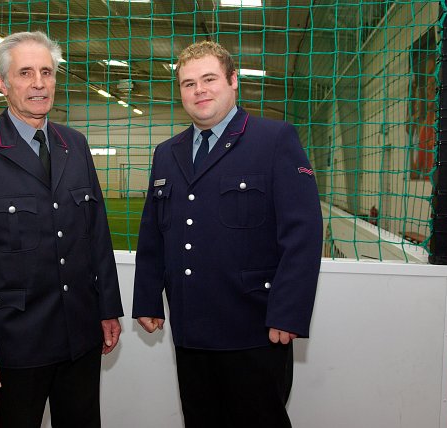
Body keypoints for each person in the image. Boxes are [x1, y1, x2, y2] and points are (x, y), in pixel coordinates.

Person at [132, 40, 323, 428]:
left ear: (233, 80)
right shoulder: (166, 153)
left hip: (254, 327)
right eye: (188, 84)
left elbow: (303, 235)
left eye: (209, 79)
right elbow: (153, 233)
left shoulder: (274, 139)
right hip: (190, 328)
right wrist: (147, 298)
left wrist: (288, 313)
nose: (199, 90)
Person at [0, 31, 123, 428]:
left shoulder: (75, 145)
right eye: (25, 73)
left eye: (47, 72)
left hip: (80, 333)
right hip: (15, 342)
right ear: (3, 83)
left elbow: (97, 235)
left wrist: (108, 308)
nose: (39, 83)